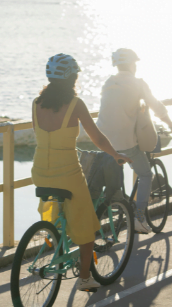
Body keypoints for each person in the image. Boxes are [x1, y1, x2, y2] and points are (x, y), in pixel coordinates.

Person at [31, 53, 132, 292]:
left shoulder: (36, 103)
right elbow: (96, 137)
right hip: (66, 173)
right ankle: (86, 279)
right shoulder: (75, 104)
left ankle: (57, 237)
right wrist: (115, 154)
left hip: (40, 171)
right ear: (72, 78)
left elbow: (40, 133)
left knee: (62, 211)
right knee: (87, 230)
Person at [96, 48, 172, 234]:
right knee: (145, 175)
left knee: (111, 179)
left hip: (101, 140)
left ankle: (110, 211)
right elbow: (157, 107)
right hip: (125, 143)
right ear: (133, 64)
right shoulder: (138, 83)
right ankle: (140, 217)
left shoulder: (108, 82)